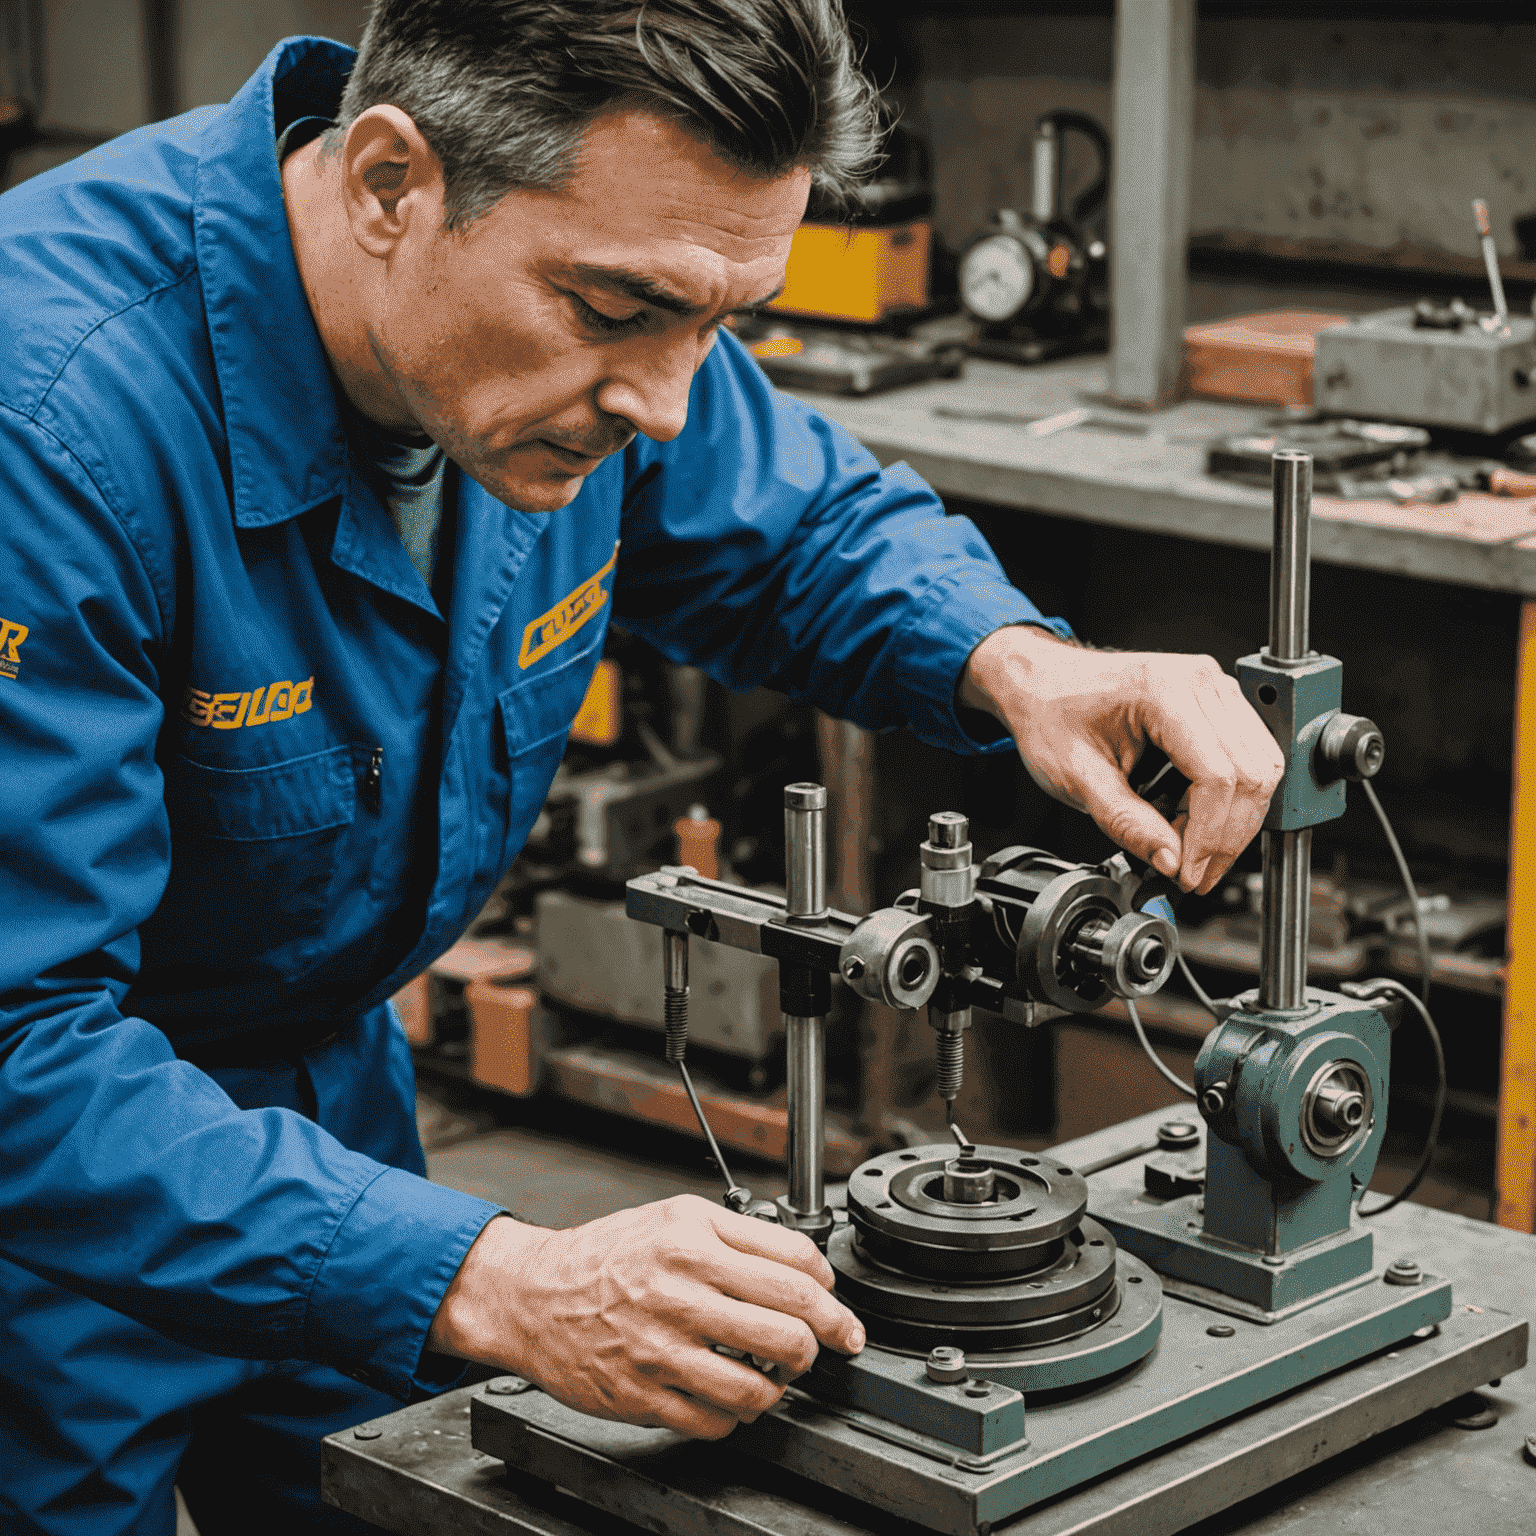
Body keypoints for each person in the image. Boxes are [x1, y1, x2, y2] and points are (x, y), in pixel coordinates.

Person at [0, 3, 1283, 1531]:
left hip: (325, 1096)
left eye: (718, 325)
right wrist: (497, 1273)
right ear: (393, 183)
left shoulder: (596, 315)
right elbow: (17, 1042)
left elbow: (797, 525)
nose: (666, 404)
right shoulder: (48, 425)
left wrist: (1020, 661)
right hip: (53, 1195)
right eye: (617, 312)